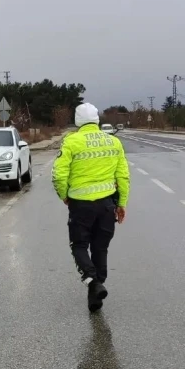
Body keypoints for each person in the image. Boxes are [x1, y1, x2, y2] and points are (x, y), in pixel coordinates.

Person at [52, 103, 130, 311]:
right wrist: (121, 203)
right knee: (100, 247)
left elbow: (59, 174)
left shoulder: (71, 142)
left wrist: (64, 195)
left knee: (79, 246)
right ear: (97, 119)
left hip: (80, 206)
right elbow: (122, 175)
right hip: (106, 205)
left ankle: (93, 282)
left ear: (77, 121)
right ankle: (95, 292)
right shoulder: (114, 142)